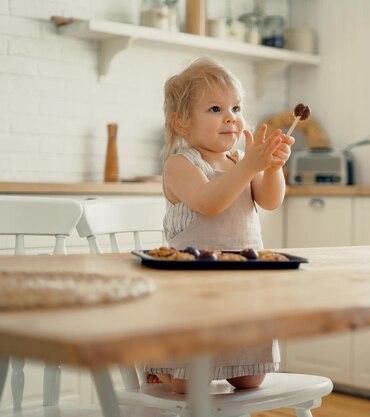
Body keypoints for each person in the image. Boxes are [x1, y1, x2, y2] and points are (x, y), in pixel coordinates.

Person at [145, 57, 294, 394]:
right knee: (188, 383)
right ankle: (164, 370)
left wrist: (271, 167)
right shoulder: (180, 164)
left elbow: (271, 200)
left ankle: (225, 366)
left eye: (237, 108)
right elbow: (210, 202)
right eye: (215, 109)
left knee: (251, 379)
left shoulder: (241, 161)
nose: (231, 117)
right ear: (181, 123)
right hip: (193, 289)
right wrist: (249, 167)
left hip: (241, 285)